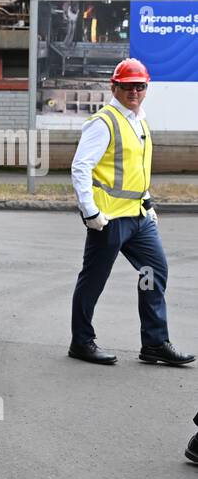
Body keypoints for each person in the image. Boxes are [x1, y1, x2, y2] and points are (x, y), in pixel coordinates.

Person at [68, 57, 192, 367]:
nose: (134, 92)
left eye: (140, 86)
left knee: (153, 271)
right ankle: (81, 342)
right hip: (108, 220)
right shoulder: (104, 122)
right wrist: (91, 211)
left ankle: (154, 343)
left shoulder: (139, 121)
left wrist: (148, 204)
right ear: (115, 87)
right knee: (94, 279)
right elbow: (81, 168)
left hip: (138, 218)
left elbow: (135, 170)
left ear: (146, 88)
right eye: (127, 86)